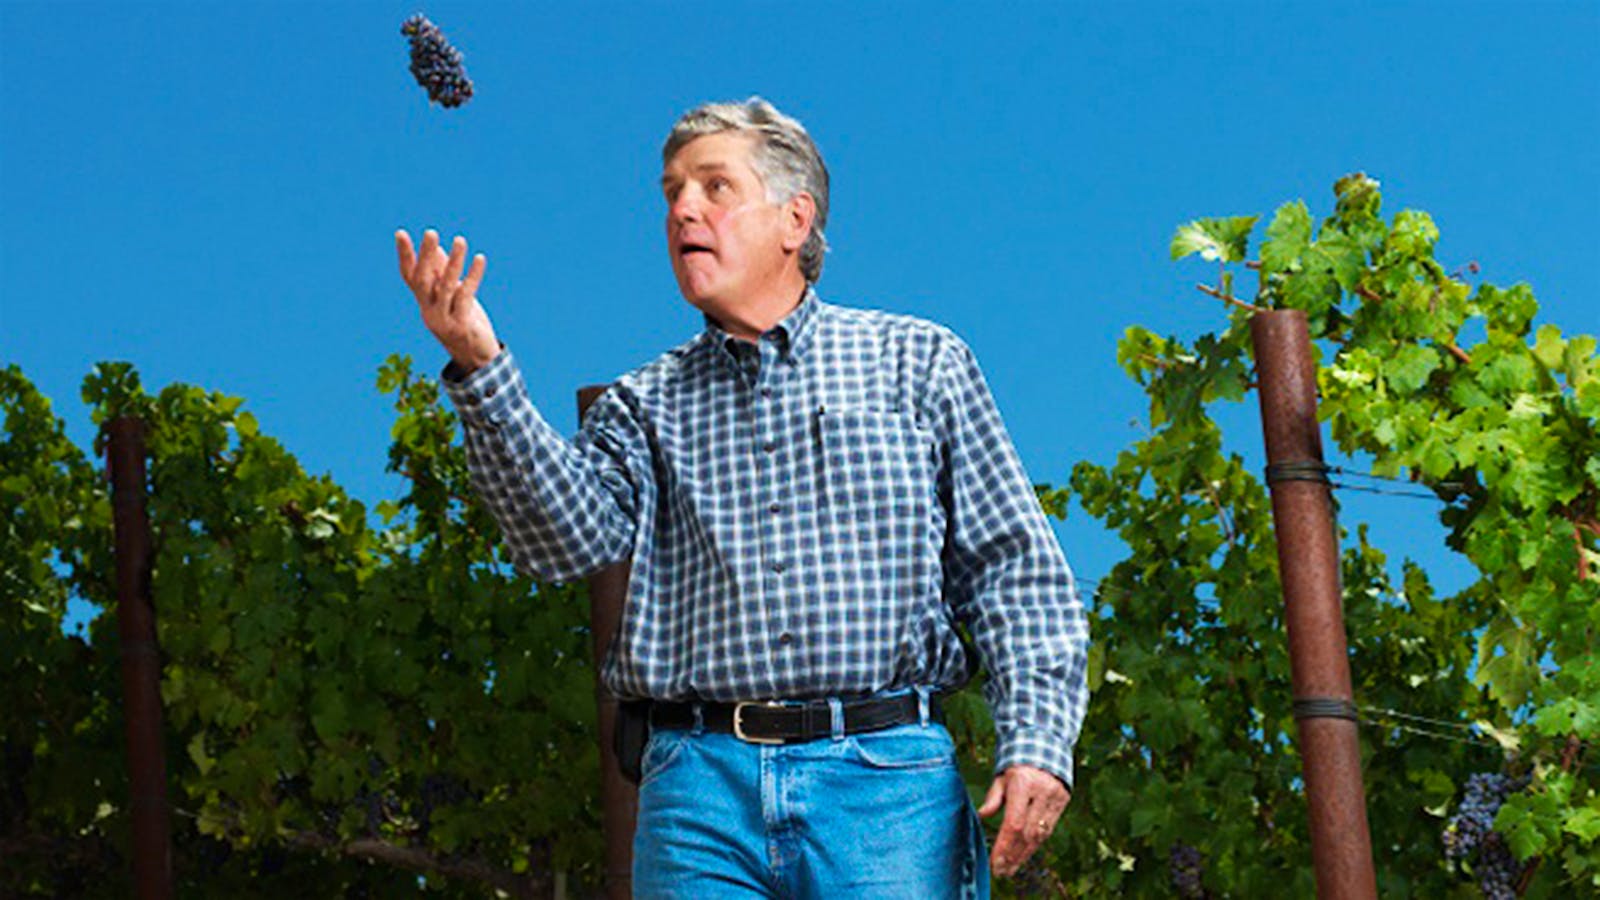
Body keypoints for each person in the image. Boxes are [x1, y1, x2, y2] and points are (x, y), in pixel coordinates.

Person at [395, 97, 1088, 898]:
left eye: (715, 187)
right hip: (698, 792)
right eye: (672, 194)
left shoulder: (919, 363)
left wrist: (1037, 741)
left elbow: (1014, 571)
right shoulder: (642, 404)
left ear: (796, 219)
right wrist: (480, 366)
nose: (683, 208)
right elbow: (561, 543)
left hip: (887, 787)